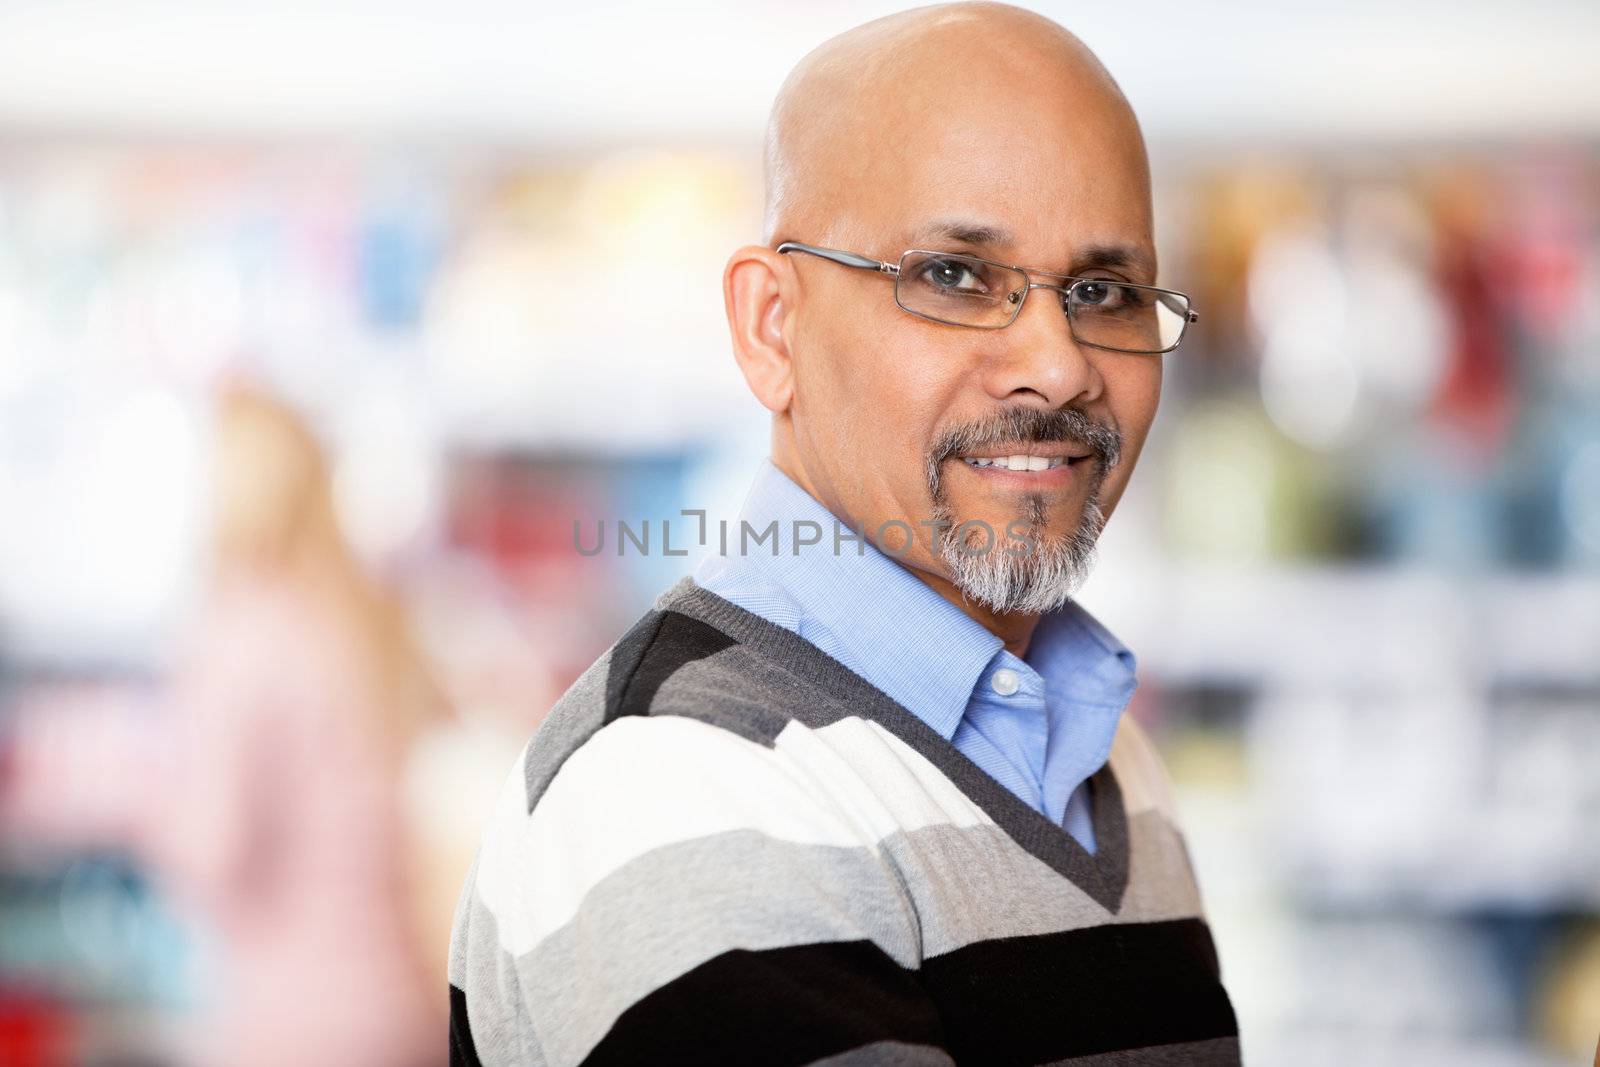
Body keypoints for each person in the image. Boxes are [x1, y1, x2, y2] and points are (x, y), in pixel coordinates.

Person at [448, 3, 1239, 1064]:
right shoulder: (683, 788)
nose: (1056, 364)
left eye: (1103, 291)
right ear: (772, 328)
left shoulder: (1103, 751)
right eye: (955, 275)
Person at [145, 381, 449, 1067]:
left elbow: (213, 848)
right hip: (403, 1006)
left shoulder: (240, 629)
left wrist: (146, 804)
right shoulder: (359, 615)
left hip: (302, 1022)